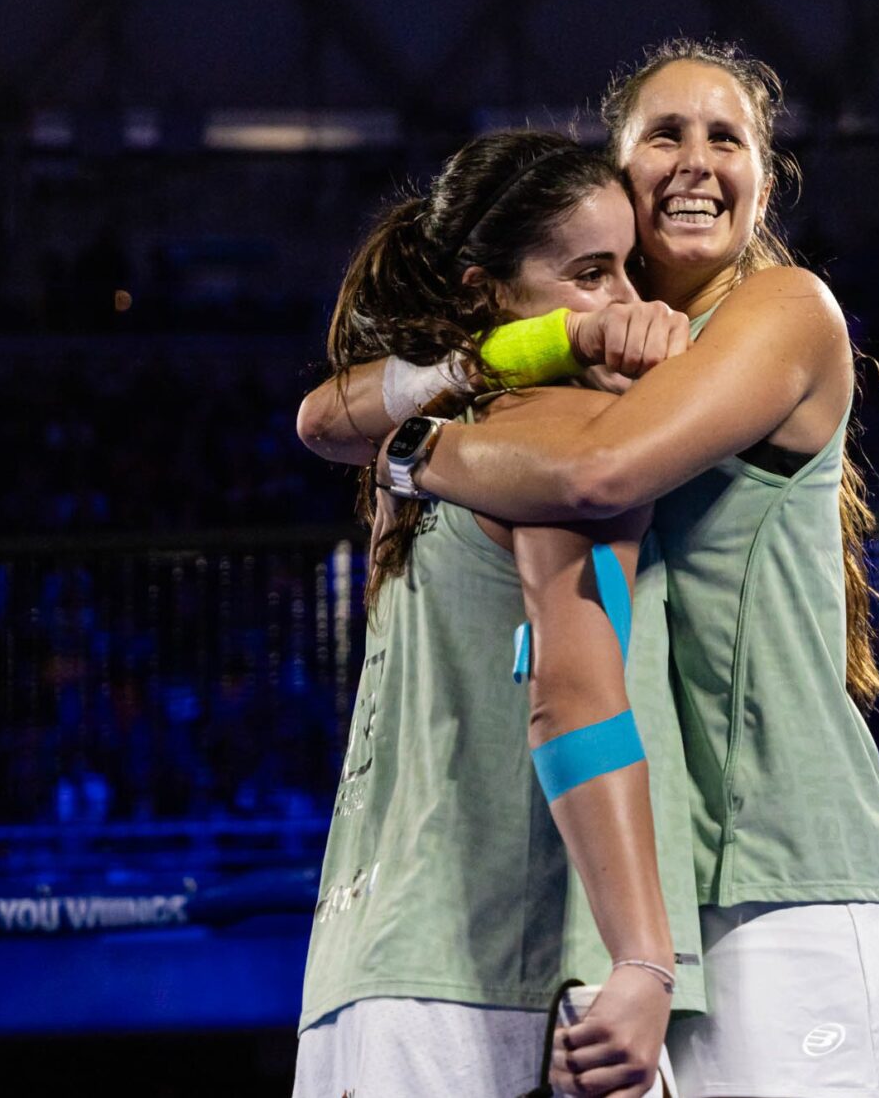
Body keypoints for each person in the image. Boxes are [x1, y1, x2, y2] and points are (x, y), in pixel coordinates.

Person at [300, 39, 879, 1098]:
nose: (695, 161)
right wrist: (501, 358)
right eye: (664, 135)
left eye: (724, 137)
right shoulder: (575, 359)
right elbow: (324, 411)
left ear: (762, 176)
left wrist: (417, 453)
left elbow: (594, 475)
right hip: (645, 890)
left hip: (787, 860)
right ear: (615, 172)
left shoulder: (783, 309)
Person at [291, 129, 705, 1098]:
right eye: (591, 275)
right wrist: (644, 959)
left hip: (368, 977)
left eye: (630, 272)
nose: (627, 308)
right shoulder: (558, 431)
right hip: (496, 984)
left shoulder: (431, 433)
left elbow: (319, 419)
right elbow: (573, 699)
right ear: (488, 290)